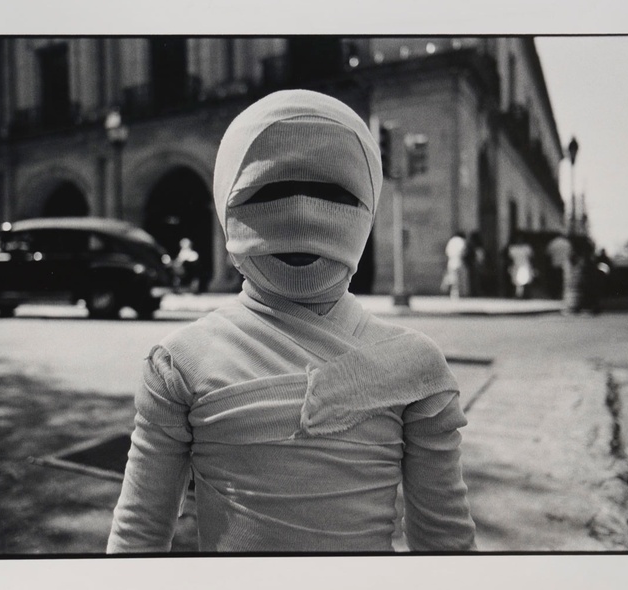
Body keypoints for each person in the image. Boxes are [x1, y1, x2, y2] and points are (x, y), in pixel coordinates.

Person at [107, 89, 476, 553]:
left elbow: (446, 547)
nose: (301, 211)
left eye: (332, 193)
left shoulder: (417, 365)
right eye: (271, 191)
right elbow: (139, 535)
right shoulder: (178, 364)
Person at [441, 231, 469, 299]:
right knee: (460, 279)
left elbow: (447, 252)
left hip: (451, 262)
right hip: (459, 261)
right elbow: (464, 252)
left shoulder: (451, 241)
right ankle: (461, 294)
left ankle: (453, 294)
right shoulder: (462, 241)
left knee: (453, 279)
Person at [507, 232, 534, 299]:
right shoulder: (512, 248)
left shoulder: (527, 248)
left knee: (526, 281)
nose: (519, 240)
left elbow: (531, 258)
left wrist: (532, 267)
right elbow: (510, 259)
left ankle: (526, 295)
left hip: (525, 266)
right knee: (517, 282)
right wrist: (510, 267)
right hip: (516, 266)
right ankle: (518, 295)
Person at [545, 233, 571, 299]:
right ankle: (562, 294)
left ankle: (555, 294)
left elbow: (547, 253)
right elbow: (571, 253)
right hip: (564, 264)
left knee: (555, 280)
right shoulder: (567, 243)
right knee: (563, 280)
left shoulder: (552, 243)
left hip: (555, 264)